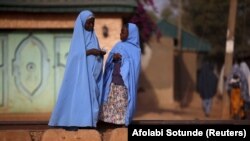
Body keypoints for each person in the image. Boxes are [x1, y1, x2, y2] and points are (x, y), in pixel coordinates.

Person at [48, 10, 106, 129]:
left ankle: (89, 123)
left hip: (93, 76)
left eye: (93, 23)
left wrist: (99, 53)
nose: (91, 26)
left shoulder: (94, 37)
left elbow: (95, 56)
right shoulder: (78, 38)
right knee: (81, 97)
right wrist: (91, 51)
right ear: (82, 23)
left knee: (92, 98)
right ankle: (78, 122)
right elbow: (74, 56)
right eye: (88, 23)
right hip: (82, 76)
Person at [99, 23, 141, 126]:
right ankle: (108, 123)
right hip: (113, 81)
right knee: (111, 102)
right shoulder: (118, 45)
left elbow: (134, 67)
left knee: (122, 104)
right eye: (121, 31)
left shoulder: (136, 50)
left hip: (124, 83)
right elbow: (109, 60)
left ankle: (120, 124)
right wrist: (114, 58)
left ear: (131, 34)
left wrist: (123, 59)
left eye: (123, 32)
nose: (120, 34)